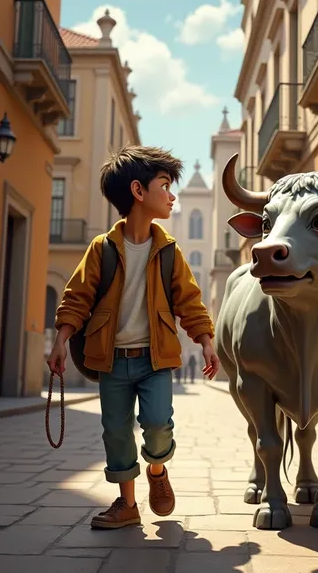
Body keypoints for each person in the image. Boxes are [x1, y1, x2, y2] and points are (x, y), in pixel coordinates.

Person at [47, 146, 219, 529]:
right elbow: (76, 297)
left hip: (155, 360)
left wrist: (205, 339)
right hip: (111, 360)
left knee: (158, 425)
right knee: (116, 432)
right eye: (165, 185)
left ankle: (157, 472)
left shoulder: (170, 251)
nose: (172, 195)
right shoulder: (101, 249)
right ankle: (127, 505)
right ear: (139, 191)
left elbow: (189, 301)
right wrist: (61, 339)